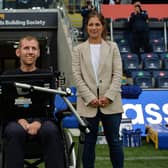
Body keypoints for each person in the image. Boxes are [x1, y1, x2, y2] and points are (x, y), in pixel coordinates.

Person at [3, 35, 65, 168]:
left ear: (38, 53)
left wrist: (38, 122)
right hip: (15, 121)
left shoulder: (47, 76)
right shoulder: (7, 77)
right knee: (14, 131)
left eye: (33, 48)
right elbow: (5, 107)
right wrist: (21, 120)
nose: (30, 52)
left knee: (51, 130)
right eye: (26, 48)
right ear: (18, 52)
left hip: (42, 121)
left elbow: (49, 106)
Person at [72, 11, 124, 168]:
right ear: (86, 27)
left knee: (114, 142)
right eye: (90, 24)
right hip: (88, 105)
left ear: (103, 27)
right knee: (88, 143)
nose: (94, 28)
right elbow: (77, 76)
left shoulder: (113, 47)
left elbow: (118, 74)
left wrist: (108, 96)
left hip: (111, 104)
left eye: (97, 24)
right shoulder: (78, 50)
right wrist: (90, 98)